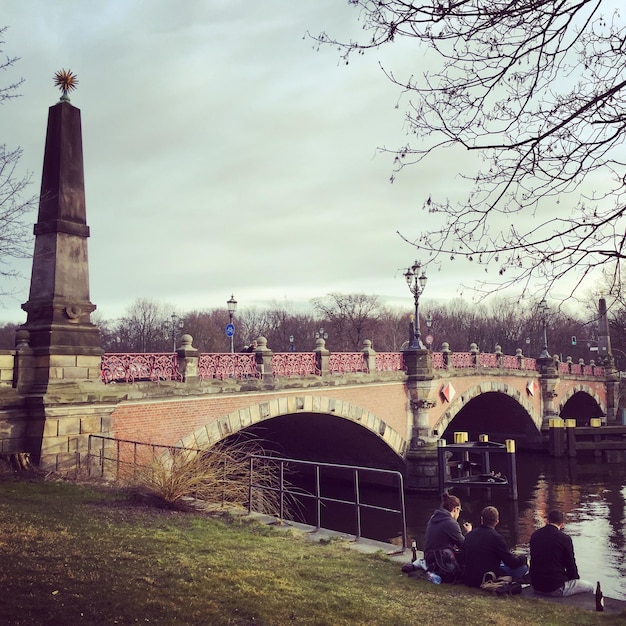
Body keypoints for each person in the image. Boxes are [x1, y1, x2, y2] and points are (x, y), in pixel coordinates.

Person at [529, 509, 594, 596]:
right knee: (590, 587)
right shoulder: (565, 539)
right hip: (555, 587)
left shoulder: (535, 535)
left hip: (536, 585)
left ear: (547, 520)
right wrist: (574, 579)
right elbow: (570, 564)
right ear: (562, 524)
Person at [463, 505, 528, 588]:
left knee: (500, 562)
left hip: (469, 578)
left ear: (482, 519)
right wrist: (522, 559)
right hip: (486, 578)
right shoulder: (497, 538)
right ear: (497, 522)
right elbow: (511, 563)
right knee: (523, 568)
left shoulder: (470, 535)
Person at [422, 492, 472, 581]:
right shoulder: (451, 523)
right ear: (455, 509)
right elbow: (465, 545)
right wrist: (469, 533)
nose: (459, 514)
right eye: (459, 511)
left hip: (428, 557)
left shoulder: (433, 517)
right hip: (438, 561)